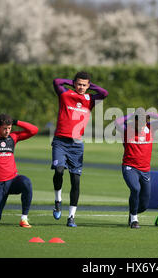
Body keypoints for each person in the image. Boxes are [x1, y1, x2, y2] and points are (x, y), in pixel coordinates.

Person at [51, 71, 108, 227]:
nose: (81, 87)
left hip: (76, 145)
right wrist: (71, 82)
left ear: (88, 85)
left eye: (84, 85)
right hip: (60, 142)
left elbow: (104, 93)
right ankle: (58, 200)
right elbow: (57, 81)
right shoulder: (65, 94)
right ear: (74, 84)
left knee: (75, 180)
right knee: (59, 170)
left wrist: (90, 86)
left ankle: (71, 217)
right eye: (78, 84)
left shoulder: (90, 99)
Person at [0, 114, 39, 228]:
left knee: (26, 182)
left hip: (12, 181)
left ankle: (24, 219)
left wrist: (16, 122)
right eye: (5, 128)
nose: (7, 131)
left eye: (9, 128)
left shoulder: (13, 138)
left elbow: (34, 130)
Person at [115, 108, 158, 228]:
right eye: (138, 121)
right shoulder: (127, 130)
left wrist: (150, 114)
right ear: (133, 121)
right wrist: (132, 114)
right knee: (135, 189)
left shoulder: (150, 128)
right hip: (130, 167)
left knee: (144, 204)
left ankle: (133, 212)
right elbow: (117, 122)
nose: (141, 124)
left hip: (145, 170)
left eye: (143, 121)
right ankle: (134, 219)